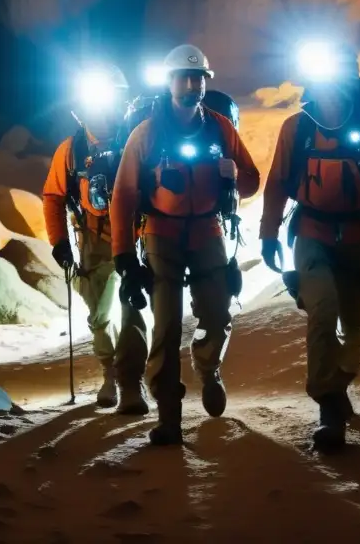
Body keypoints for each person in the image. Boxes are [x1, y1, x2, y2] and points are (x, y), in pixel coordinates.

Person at [259, 42, 360, 452]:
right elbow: (276, 183)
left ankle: (339, 383)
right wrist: (269, 234)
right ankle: (328, 405)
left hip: (358, 234)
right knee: (323, 311)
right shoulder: (297, 128)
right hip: (311, 232)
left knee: (351, 322)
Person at [110, 44, 260, 446]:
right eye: (184, 78)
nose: (192, 85)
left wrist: (235, 176)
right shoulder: (147, 133)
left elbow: (252, 180)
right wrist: (124, 255)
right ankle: (168, 416)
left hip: (208, 229)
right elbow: (123, 194)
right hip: (161, 232)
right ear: (170, 82)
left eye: (198, 79)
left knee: (217, 310)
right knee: (166, 325)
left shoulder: (220, 128)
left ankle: (208, 366)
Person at [42, 63, 149, 415]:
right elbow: (54, 197)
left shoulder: (138, 140)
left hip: (135, 234)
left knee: (131, 308)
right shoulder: (70, 151)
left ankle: (130, 383)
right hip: (93, 237)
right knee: (100, 315)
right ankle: (109, 371)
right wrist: (59, 241)